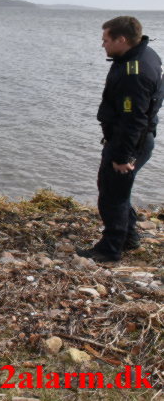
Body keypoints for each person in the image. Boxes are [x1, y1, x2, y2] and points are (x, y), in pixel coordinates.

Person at [77, 16, 163, 263]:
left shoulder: (133, 72)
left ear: (121, 39)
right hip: (136, 138)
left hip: (129, 140)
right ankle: (129, 236)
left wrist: (123, 155)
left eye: (105, 40)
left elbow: (133, 118)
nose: (102, 45)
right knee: (119, 190)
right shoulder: (145, 55)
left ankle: (110, 248)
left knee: (111, 194)